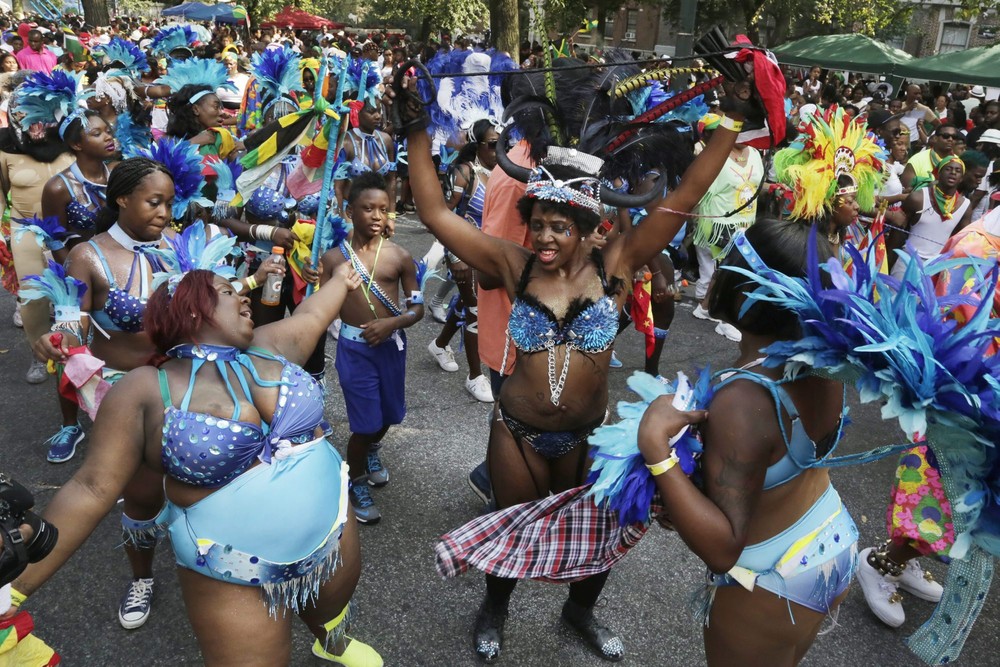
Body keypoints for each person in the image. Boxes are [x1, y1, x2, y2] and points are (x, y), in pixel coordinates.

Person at [400, 52, 760, 660]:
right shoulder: (511, 267)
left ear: (588, 226)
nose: (542, 237)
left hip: (589, 436)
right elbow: (434, 213)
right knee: (511, 529)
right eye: (537, 223)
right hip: (516, 433)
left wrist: (732, 115)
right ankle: (495, 606)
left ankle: (579, 612)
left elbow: (688, 190)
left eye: (558, 227)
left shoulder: (617, 267)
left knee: (602, 539)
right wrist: (414, 130)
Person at [10, 258, 384, 667]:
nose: (245, 296)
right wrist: (14, 588)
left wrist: (343, 277)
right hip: (232, 570)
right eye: (228, 292)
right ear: (191, 309)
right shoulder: (145, 389)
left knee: (332, 611)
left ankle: (332, 642)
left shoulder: (270, 343)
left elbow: (314, 311)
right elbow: (92, 488)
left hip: (332, 531)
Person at [635, 219, 854, 666]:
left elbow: (722, 548)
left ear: (744, 287)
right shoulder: (826, 363)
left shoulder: (744, 398)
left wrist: (656, 448)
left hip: (772, 578)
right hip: (830, 542)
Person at [320, 172, 423, 525]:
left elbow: (417, 308)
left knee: (391, 415)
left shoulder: (400, 257)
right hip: (353, 350)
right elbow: (321, 306)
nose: (377, 216)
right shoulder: (334, 259)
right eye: (368, 208)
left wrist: (392, 323)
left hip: (391, 347)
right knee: (365, 426)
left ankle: (372, 449)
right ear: (350, 212)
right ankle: (355, 478)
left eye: (384, 209)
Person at [1, 74, 75, 386]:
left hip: (71, 232)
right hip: (25, 230)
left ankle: (74, 348)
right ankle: (38, 351)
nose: (36, 125)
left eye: (44, 115)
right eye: (25, 114)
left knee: (74, 294)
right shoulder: (4, 146)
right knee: (32, 298)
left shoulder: (73, 140)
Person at [426, 119, 498, 403]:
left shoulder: (500, 172)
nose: (498, 149)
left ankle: (440, 344)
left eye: (502, 144)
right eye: (493, 144)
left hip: (487, 252)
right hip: (463, 250)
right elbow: (443, 217)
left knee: (468, 304)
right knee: (476, 309)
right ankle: (475, 376)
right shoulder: (463, 172)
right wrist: (452, 255)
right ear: (477, 144)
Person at [691, 111, 764, 342]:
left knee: (725, 268)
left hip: (746, 221)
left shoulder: (754, 154)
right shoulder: (715, 153)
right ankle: (725, 320)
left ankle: (704, 307)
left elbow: (755, 185)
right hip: (719, 221)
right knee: (735, 269)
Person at [889, 154, 970, 278]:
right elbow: (898, 232)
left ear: (961, 178)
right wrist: (888, 263)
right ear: (938, 174)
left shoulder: (965, 206)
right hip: (907, 262)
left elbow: (960, 241)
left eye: (958, 170)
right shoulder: (918, 197)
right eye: (948, 169)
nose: (953, 172)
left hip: (936, 268)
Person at [902, 124, 958, 189]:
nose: (950, 139)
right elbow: (907, 190)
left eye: (954, 137)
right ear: (935, 138)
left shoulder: (958, 161)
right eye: (946, 136)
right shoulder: (917, 160)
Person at [899, 84, 939, 150]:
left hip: (913, 144)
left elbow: (938, 124)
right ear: (908, 93)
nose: (918, 96)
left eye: (919, 93)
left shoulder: (923, 109)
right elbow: (891, 118)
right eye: (915, 93)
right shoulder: (899, 105)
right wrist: (907, 108)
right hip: (898, 141)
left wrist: (928, 137)